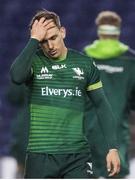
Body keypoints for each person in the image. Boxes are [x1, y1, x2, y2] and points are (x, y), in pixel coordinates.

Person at [10, 9, 120, 178]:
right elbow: (16, 76)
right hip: (40, 156)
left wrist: (112, 147)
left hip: (77, 157)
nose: (50, 46)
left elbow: (102, 105)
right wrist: (33, 40)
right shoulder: (34, 61)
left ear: (63, 32)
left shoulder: (84, 63)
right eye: (43, 41)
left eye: (53, 37)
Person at [83, 10, 135, 178]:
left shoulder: (83, 58)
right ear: (117, 32)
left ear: (100, 31)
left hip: (86, 134)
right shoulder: (130, 61)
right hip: (117, 136)